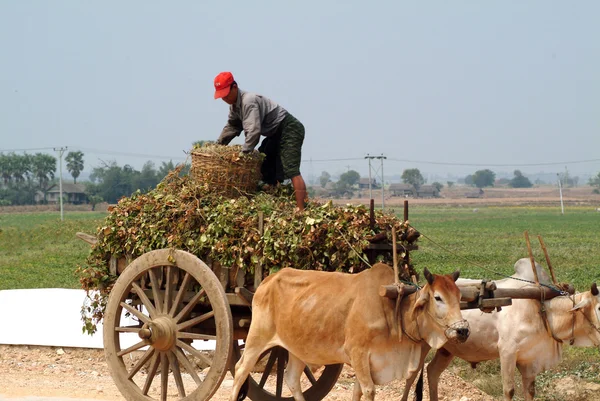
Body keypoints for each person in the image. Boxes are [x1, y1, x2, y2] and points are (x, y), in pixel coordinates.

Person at [213, 71, 307, 210]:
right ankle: (276, 200)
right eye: (222, 96)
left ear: (235, 87)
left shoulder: (248, 101)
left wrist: (244, 154)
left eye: (226, 94)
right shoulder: (234, 107)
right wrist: (218, 146)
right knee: (264, 165)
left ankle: (301, 210)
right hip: (275, 134)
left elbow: (253, 132)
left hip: (288, 128)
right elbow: (232, 126)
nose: (225, 98)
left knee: (291, 168)